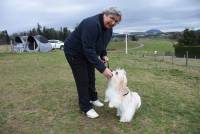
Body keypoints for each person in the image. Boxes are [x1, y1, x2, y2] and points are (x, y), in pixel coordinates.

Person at [64, 7, 122, 118]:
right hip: (74, 52)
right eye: (112, 18)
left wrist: (103, 54)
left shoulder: (109, 29)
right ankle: (85, 107)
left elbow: (102, 44)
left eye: (116, 21)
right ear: (105, 14)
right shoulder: (91, 24)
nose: (113, 22)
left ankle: (93, 98)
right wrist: (103, 68)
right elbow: (88, 49)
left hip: (87, 52)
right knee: (83, 79)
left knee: (91, 76)